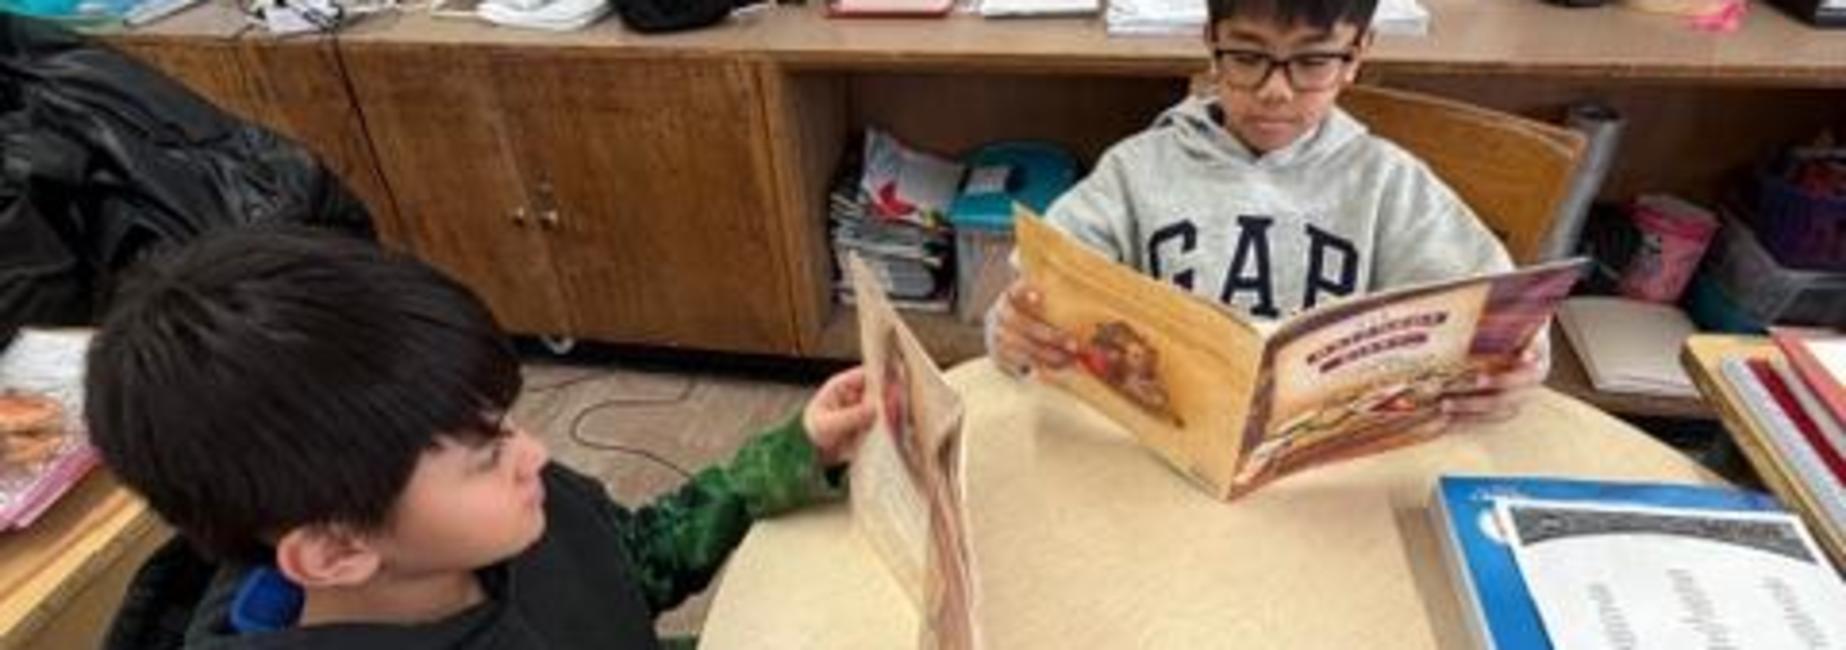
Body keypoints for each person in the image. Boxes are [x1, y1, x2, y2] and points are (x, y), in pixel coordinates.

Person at [87, 227, 877, 649]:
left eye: (501, 422)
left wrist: (790, 453)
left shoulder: (499, 518)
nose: (532, 450)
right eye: (485, 453)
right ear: (334, 552)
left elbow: (628, 569)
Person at [987, 0, 1544, 421]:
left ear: (1357, 54)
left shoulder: (1387, 183)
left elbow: (1498, 311)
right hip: (1163, 454)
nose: (1275, 91)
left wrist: (1520, 367)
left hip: (1331, 476)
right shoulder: (1137, 171)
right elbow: (1035, 289)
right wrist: (1014, 329)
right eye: (1248, 57)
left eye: (1313, 61)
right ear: (1210, 42)